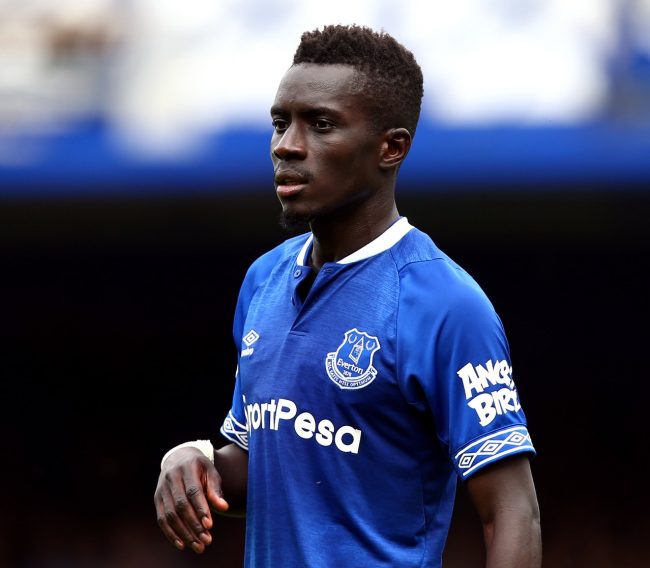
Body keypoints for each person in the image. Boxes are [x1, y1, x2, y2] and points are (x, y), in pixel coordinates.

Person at [154, 24, 542, 568]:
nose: (287, 145)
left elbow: (512, 511)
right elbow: (264, 466)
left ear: (391, 147)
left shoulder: (445, 305)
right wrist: (194, 459)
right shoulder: (263, 281)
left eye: (321, 124)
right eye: (281, 122)